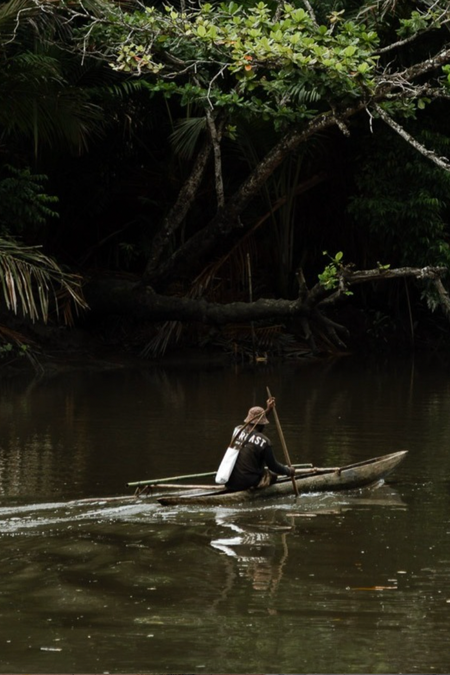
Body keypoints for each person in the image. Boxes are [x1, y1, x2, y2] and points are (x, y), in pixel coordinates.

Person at [225, 397, 295, 492]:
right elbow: (273, 466)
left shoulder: (237, 431)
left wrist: (268, 410)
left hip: (230, 481)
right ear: (263, 424)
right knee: (272, 476)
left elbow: (255, 425)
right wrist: (289, 471)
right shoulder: (265, 442)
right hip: (247, 483)